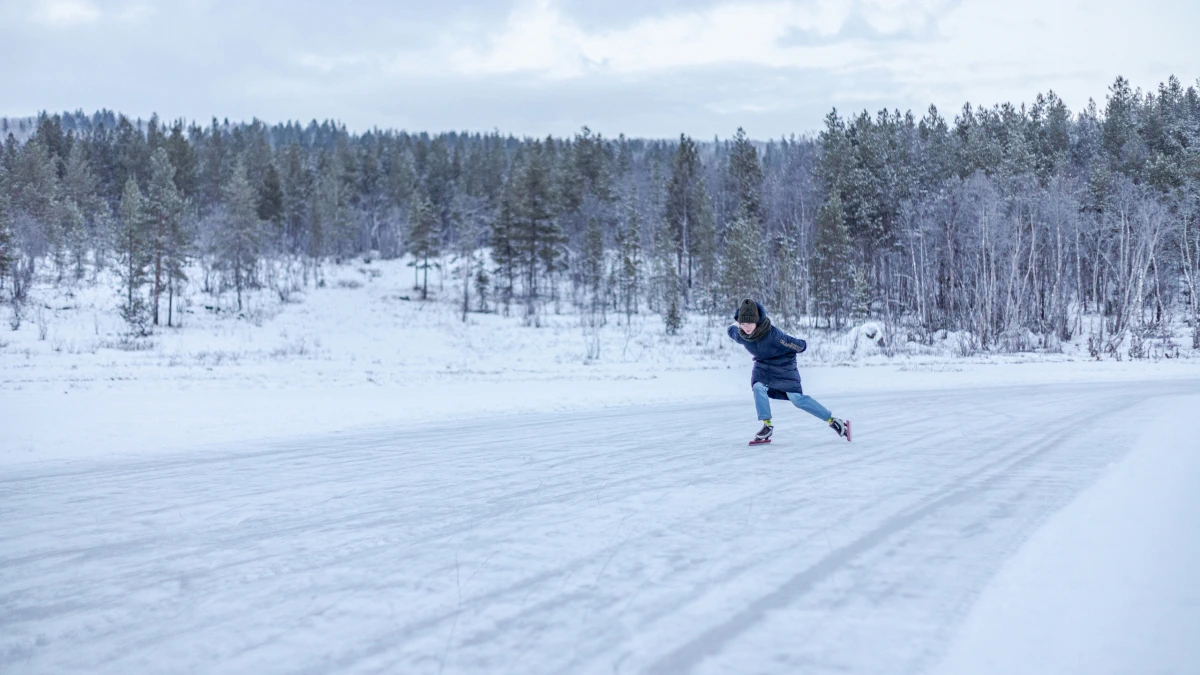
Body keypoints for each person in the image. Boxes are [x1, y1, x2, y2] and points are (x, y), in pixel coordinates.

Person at [727, 299, 850, 444]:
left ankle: (833, 420)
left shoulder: (773, 335)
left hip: (784, 364)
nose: (746, 328)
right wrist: (736, 323)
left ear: (757, 321)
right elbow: (731, 330)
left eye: (749, 324)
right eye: (743, 324)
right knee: (758, 387)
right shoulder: (741, 335)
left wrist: (802, 346)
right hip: (763, 365)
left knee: (796, 399)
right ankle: (767, 426)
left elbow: (797, 345)